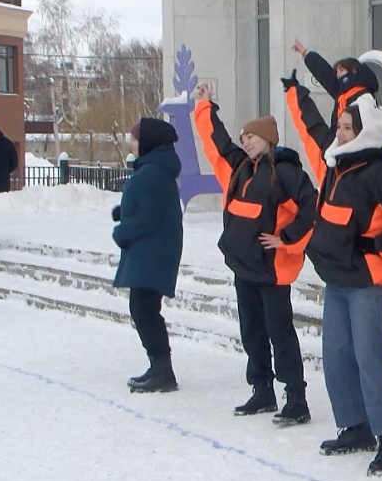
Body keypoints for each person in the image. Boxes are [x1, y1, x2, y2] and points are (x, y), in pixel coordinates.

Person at [284, 73, 382, 476]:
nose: (341, 133)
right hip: (336, 279)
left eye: (348, 127)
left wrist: (380, 247)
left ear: (365, 130)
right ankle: (355, 426)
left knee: (368, 360)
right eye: (341, 127)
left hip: (366, 282)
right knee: (337, 357)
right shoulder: (336, 167)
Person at [191, 84, 318, 424]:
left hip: (272, 269)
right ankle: (262, 390)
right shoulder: (240, 168)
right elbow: (217, 142)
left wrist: (287, 239)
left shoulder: (288, 172)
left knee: (280, 333)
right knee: (252, 331)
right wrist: (205, 106)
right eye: (244, 136)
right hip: (243, 266)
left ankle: (296, 397)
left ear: (268, 138)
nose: (245, 141)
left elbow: (312, 208)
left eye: (252, 136)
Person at [113, 118, 184, 393]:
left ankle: (162, 371)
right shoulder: (154, 169)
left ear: (149, 142)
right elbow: (148, 206)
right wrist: (123, 213)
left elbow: (149, 217)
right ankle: (158, 367)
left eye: (135, 138)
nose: (131, 143)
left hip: (152, 252)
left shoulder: (152, 172)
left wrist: (121, 231)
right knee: (144, 310)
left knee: (143, 311)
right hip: (153, 251)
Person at [288, 39, 380, 182]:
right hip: (338, 148)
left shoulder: (364, 97)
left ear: (354, 71)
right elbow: (325, 75)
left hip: (355, 157)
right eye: (337, 72)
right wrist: (306, 54)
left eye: (341, 71)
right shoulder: (343, 94)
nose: (338, 75)